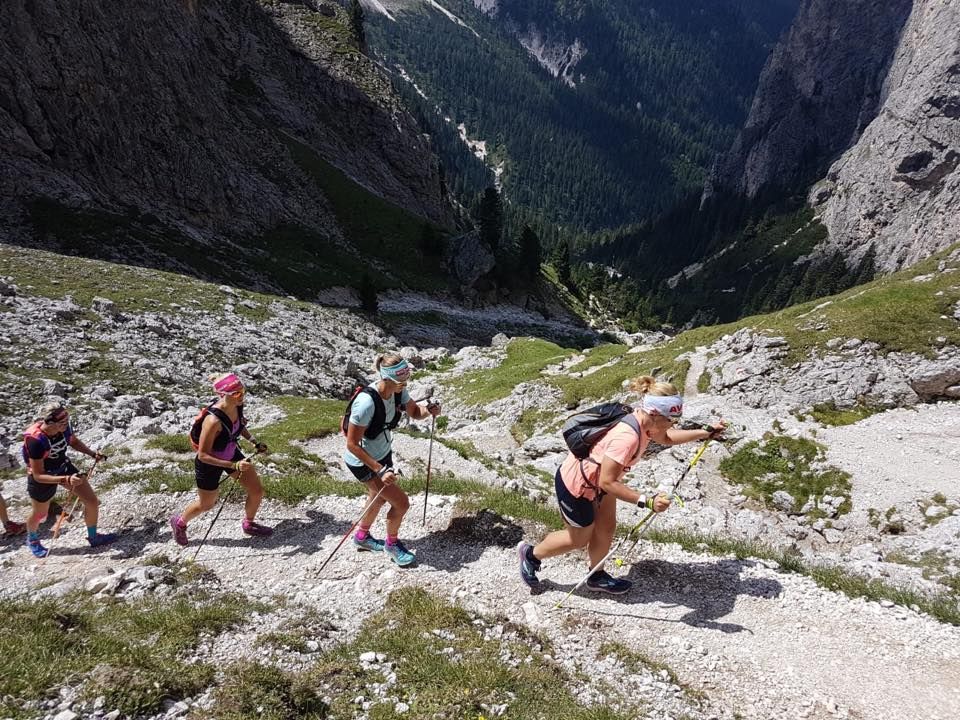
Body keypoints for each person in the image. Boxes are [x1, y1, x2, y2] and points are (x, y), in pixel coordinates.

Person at [517, 376, 725, 594]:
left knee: (606, 528)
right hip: (577, 485)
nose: (674, 423)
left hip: (599, 483)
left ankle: (596, 576)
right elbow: (607, 481)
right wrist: (647, 501)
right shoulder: (627, 438)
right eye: (671, 419)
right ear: (654, 414)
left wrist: (705, 433)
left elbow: (666, 438)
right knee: (578, 538)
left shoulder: (646, 423)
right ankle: (531, 555)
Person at [343, 353, 441, 567]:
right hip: (364, 461)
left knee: (377, 498)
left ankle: (362, 538)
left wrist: (429, 411)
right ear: (386, 378)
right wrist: (379, 470)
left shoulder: (397, 390)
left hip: (381, 454)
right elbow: (351, 444)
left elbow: (415, 411)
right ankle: (392, 544)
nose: (404, 386)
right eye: (400, 382)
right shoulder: (366, 403)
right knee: (401, 502)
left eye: (405, 382)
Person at [169, 373, 271, 546]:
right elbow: (203, 455)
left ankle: (249, 523)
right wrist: (234, 465)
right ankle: (179, 523)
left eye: (242, 391)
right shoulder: (212, 421)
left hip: (230, 453)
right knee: (206, 504)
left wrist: (254, 442)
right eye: (237, 393)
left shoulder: (237, 405)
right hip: (209, 464)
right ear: (223, 395)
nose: (242, 396)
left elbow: (239, 426)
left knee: (256, 491)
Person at [21, 403, 114, 558]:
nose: (66, 425)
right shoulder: (35, 440)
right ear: (49, 423)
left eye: (67, 421)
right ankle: (33, 540)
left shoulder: (62, 427)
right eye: (62, 423)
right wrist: (67, 479)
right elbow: (38, 475)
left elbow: (73, 441)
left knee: (91, 501)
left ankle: (93, 537)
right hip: (44, 478)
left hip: (63, 467)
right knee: (40, 514)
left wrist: (92, 454)